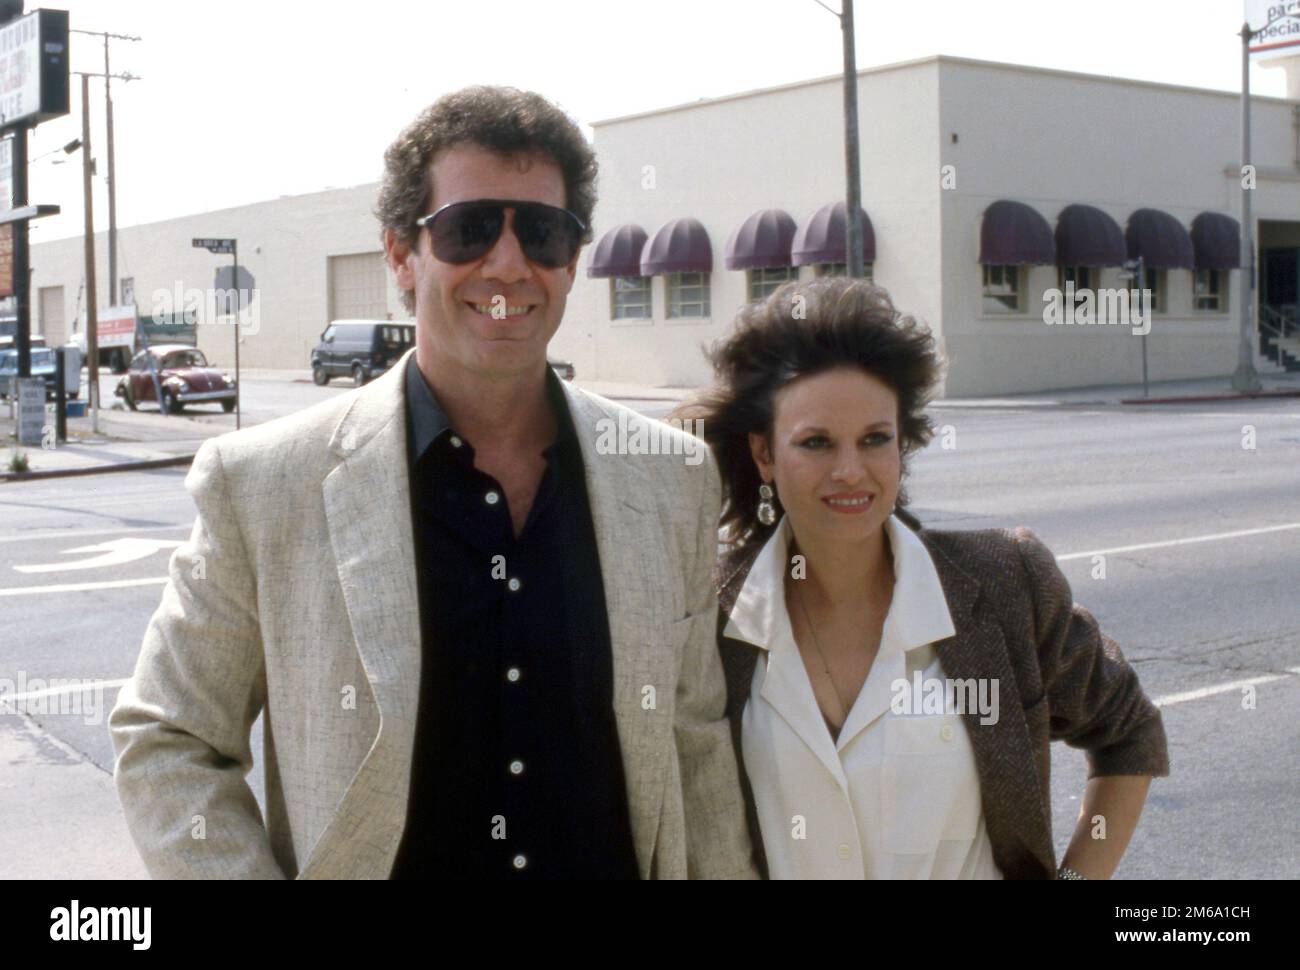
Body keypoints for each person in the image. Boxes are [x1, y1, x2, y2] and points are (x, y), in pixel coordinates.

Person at [108, 86, 756, 880]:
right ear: (399, 253)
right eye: (470, 229)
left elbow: (695, 746)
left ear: (573, 258)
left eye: (543, 233)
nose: (509, 264)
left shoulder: (672, 479)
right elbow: (169, 737)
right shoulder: (264, 484)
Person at [677, 276, 1169, 879]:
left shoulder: (1002, 581)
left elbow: (1129, 729)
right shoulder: (710, 614)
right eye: (817, 443)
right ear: (764, 454)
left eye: (875, 439)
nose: (850, 470)